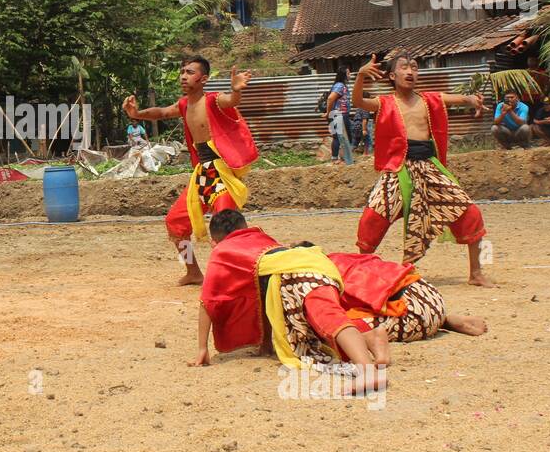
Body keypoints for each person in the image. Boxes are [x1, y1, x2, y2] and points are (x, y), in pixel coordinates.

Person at [190, 210, 486, 376]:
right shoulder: (272, 246)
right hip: (428, 298)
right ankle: (444, 319)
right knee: (322, 318)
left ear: (217, 242)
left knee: (323, 325)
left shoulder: (231, 254)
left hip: (409, 314)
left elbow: (209, 301)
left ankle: (367, 359)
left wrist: (203, 348)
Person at [352, 49, 491, 285]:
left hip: (429, 168)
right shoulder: (384, 102)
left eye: (414, 67)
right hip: (398, 170)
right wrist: (360, 76)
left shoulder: (429, 100)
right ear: (392, 76)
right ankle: (360, 273)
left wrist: (471, 100)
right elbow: (358, 102)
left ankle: (477, 273)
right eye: (404, 67)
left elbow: (456, 98)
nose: (410, 71)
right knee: (371, 219)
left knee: (471, 213)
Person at [123, 55, 259, 286]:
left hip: (220, 172)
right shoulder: (185, 104)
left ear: (204, 79)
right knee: (175, 223)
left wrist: (236, 90)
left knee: (226, 227)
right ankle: (193, 271)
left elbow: (231, 101)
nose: (184, 76)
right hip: (202, 173)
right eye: (182, 72)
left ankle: (242, 274)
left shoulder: (214, 100)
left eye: (190, 72)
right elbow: (162, 112)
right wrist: (136, 114)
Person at [325, 66, 352, 164]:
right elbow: (330, 98)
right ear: (343, 75)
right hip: (339, 114)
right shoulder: (340, 85)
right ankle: (338, 159)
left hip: (338, 114)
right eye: (348, 73)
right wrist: (328, 113)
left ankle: (338, 158)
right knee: (341, 136)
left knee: (339, 136)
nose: (350, 75)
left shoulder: (341, 85)